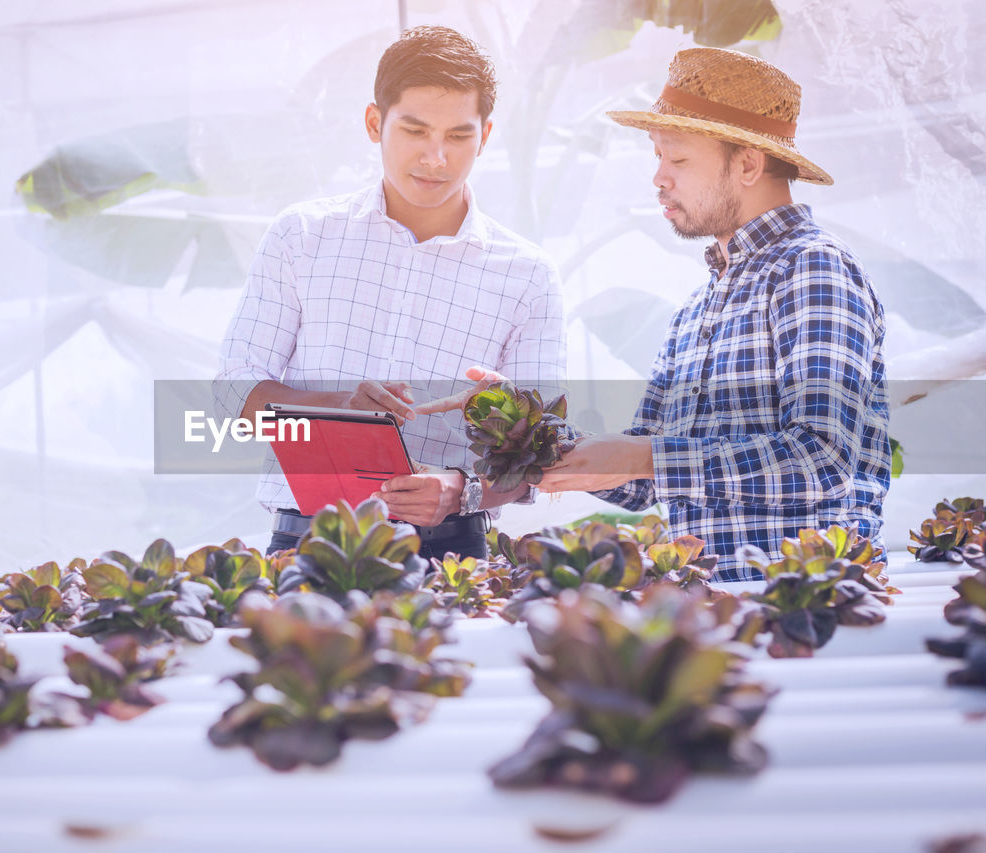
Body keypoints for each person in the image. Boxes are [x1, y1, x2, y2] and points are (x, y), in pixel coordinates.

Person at [538, 47, 890, 581]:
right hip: (711, 615)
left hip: (804, 606)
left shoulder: (812, 269)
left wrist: (648, 457)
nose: (658, 177)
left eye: (677, 159)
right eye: (656, 157)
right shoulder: (696, 309)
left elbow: (824, 461)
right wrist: (523, 425)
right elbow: (639, 478)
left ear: (747, 163)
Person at [214, 26, 565, 559]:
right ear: (375, 123)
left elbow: (538, 451)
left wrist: (459, 489)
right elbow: (231, 394)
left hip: (452, 550)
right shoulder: (303, 236)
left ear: (486, 135)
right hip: (307, 538)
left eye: (458, 136)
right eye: (415, 130)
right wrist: (336, 408)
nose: (436, 157)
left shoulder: (528, 276)